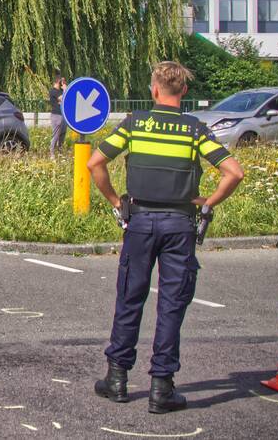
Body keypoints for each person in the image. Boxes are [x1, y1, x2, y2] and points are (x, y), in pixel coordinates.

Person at [87, 61, 244, 414]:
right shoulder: (195, 130)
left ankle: (117, 379)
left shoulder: (134, 125)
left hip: (140, 222)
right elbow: (234, 172)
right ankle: (162, 387)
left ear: (154, 89)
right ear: (184, 92)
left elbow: (94, 163)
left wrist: (116, 202)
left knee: (130, 298)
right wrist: (207, 203)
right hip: (180, 225)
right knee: (172, 304)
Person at [49, 75, 68, 157]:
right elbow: (62, 98)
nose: (63, 83)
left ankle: (60, 153)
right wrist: (65, 90)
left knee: (62, 135)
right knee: (56, 135)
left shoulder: (60, 91)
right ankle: (52, 154)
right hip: (56, 115)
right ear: (58, 82)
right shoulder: (53, 91)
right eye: (62, 81)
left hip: (63, 115)